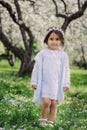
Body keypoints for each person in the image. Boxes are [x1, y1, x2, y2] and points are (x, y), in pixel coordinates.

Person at [31, 27, 70, 127]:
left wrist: (66, 83)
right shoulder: (43, 53)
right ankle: (43, 119)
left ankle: (51, 122)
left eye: (57, 39)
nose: (54, 41)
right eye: (51, 39)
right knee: (46, 102)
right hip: (45, 83)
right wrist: (34, 81)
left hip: (56, 83)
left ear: (61, 41)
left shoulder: (63, 55)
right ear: (46, 40)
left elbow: (66, 70)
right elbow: (36, 68)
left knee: (54, 103)